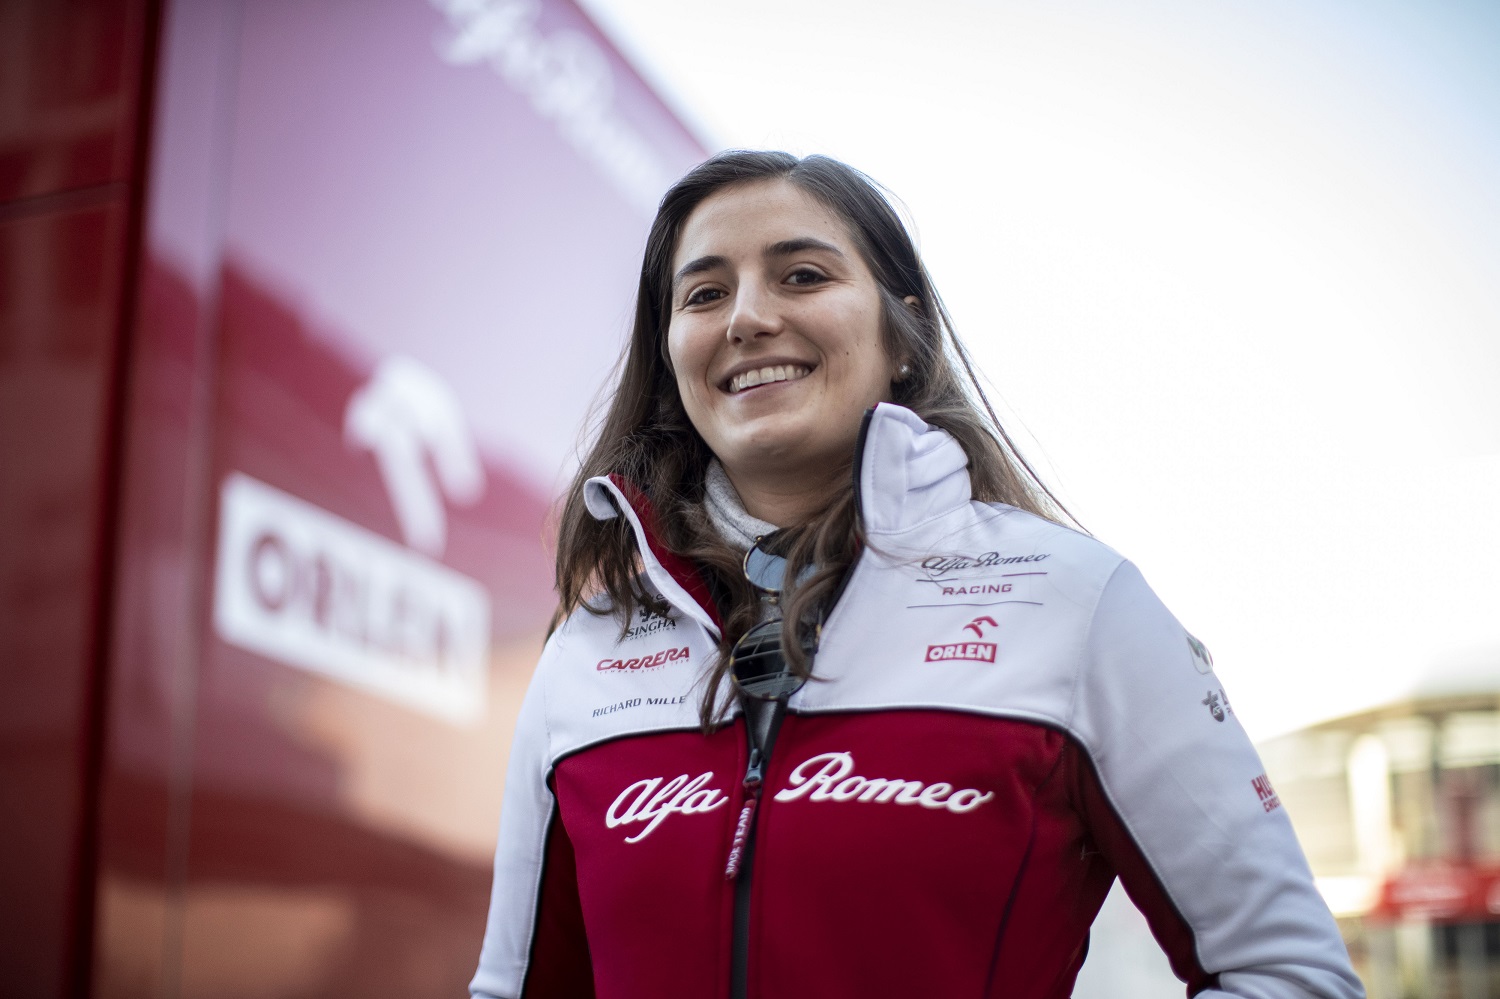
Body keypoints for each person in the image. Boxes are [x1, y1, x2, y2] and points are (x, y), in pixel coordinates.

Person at [470, 151, 1363, 999]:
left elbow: (1288, 972)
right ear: (672, 355)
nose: (746, 316)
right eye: (705, 292)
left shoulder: (1074, 601)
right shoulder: (587, 649)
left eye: (803, 275)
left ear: (903, 332)